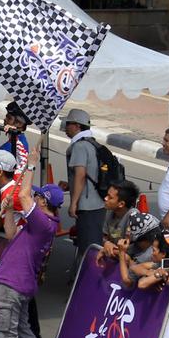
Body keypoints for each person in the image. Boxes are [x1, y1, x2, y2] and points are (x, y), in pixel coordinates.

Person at [0, 167, 60, 338]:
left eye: (38, 197)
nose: (34, 198)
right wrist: (9, 210)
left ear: (43, 203)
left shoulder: (42, 222)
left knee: (4, 333)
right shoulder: (41, 225)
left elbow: (23, 195)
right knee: (22, 330)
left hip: (12, 282)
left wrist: (30, 166)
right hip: (21, 283)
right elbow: (11, 234)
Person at [62, 108, 105, 278]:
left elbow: (80, 175)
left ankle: (88, 283)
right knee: (90, 246)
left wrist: (73, 203)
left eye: (68, 124)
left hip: (87, 206)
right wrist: (69, 185)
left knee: (88, 249)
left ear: (77, 126)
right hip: (97, 204)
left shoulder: (80, 147)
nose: (65, 127)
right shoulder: (93, 144)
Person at [96, 181, 140, 266]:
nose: (105, 198)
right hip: (114, 257)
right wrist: (106, 243)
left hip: (130, 262)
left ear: (121, 204)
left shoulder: (133, 217)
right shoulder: (110, 211)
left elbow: (129, 248)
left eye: (110, 197)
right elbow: (104, 235)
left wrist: (107, 249)